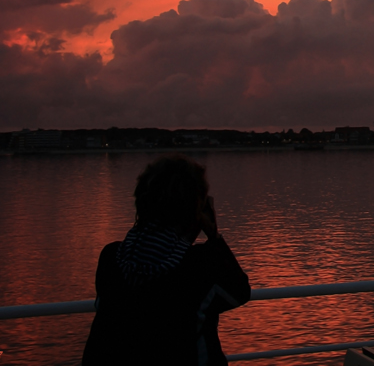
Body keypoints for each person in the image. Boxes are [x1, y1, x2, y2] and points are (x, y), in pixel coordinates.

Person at [83, 156, 250, 366]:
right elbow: (240, 292)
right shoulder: (200, 266)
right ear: (195, 210)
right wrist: (213, 235)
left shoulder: (111, 257)